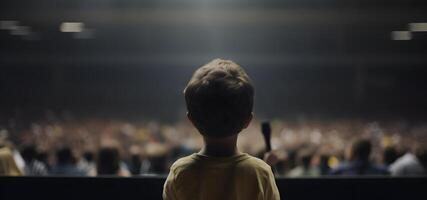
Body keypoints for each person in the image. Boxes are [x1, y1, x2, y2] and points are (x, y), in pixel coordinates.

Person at [163, 59, 280, 200]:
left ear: (192, 121)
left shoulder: (180, 173)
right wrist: (264, 169)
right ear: (247, 121)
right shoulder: (261, 173)